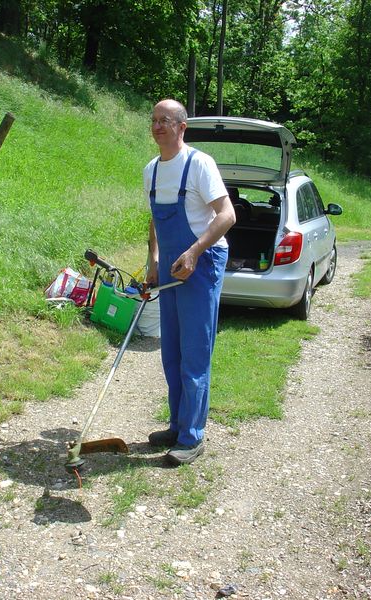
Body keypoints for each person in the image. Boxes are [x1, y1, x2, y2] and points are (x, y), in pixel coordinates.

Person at [144, 99, 236, 465]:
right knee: (172, 352)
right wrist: (152, 260)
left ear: (182, 127)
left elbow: (227, 215)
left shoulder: (200, 164)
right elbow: (154, 217)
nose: (157, 126)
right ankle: (177, 426)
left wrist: (195, 252)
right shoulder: (151, 170)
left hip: (203, 259)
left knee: (195, 353)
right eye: (153, 120)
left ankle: (193, 437)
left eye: (164, 120)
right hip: (169, 262)